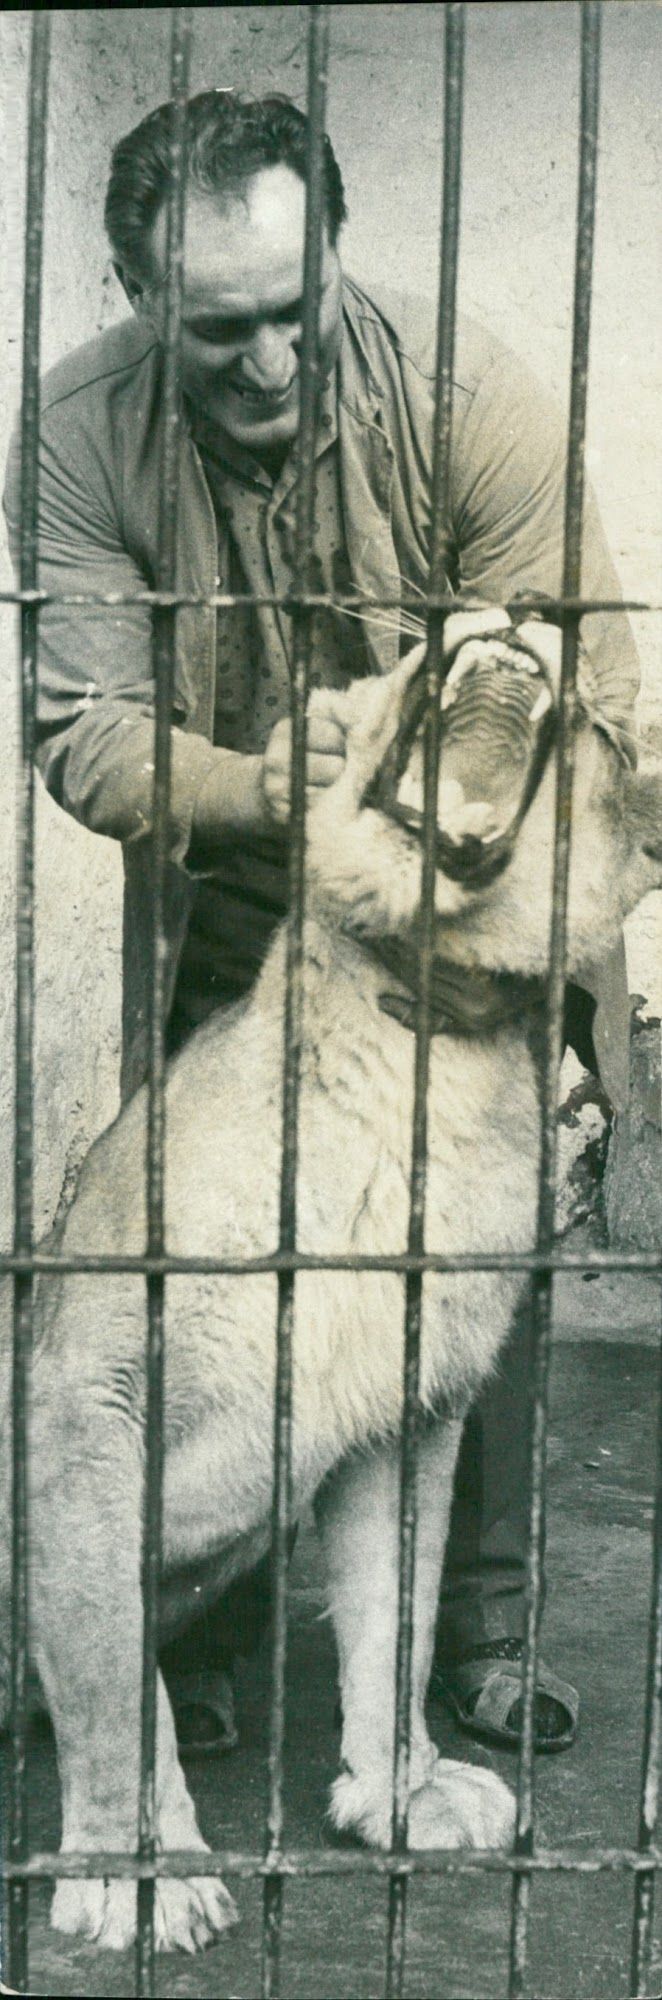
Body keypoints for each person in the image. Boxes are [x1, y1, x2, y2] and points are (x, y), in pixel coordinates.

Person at [4, 90, 639, 1758]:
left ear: (338, 249)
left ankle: (477, 1638)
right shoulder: (75, 434)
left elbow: (592, 679)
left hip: (476, 902)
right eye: (222, 330)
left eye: (301, 308)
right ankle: (182, 1635)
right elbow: (81, 725)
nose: (274, 362)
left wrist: (514, 907)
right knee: (237, 1279)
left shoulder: (462, 388)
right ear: (140, 294)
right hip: (243, 876)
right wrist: (261, 793)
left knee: (467, 1264)